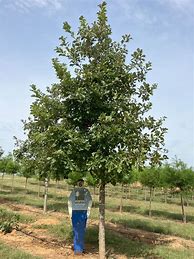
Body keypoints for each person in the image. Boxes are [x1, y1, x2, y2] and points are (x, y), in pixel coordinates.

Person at [68, 179, 92, 254]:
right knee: (79, 230)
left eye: (81, 183)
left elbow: (69, 202)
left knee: (78, 230)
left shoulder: (77, 191)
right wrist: (88, 212)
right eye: (80, 183)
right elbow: (90, 202)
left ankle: (78, 249)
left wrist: (88, 212)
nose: (80, 184)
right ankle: (79, 247)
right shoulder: (84, 191)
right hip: (79, 212)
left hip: (79, 212)